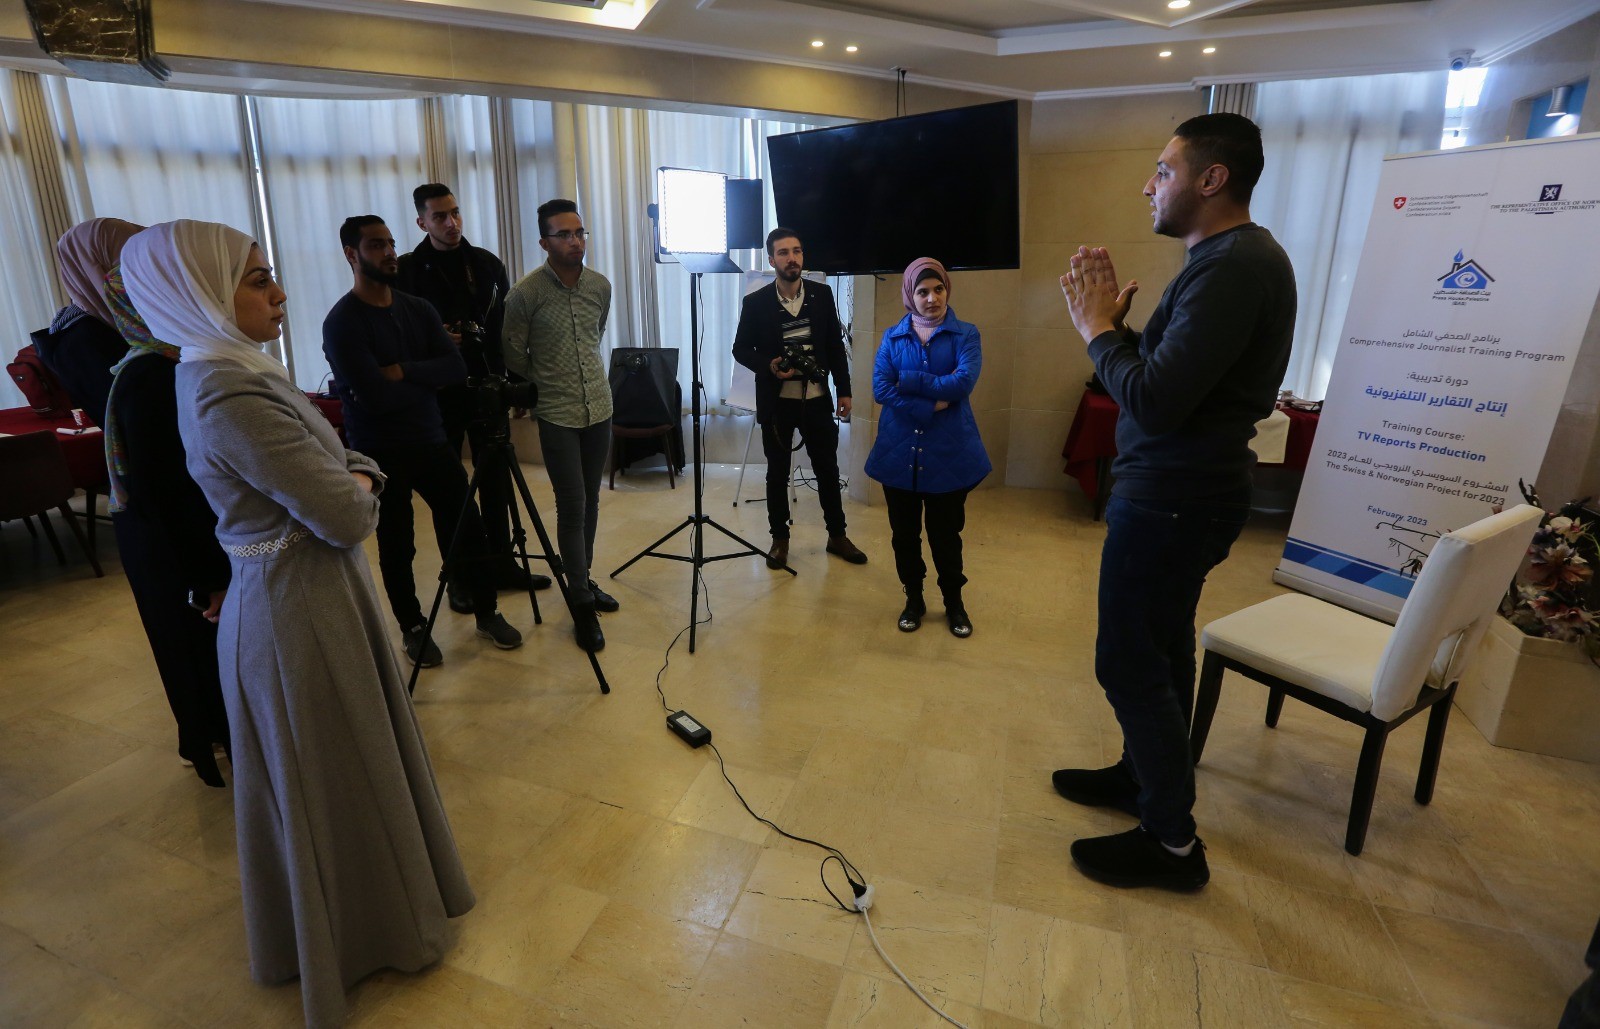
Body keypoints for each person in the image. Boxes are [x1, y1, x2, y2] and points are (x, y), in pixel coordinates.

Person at [121, 219, 475, 1028]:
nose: (278, 293)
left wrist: (352, 471)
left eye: (270, 273)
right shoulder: (226, 391)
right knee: (333, 781)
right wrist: (359, 475)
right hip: (295, 609)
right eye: (255, 280)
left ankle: (374, 918)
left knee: (348, 771)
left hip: (309, 591)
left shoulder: (234, 369)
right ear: (199, 294)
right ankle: (361, 937)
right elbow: (343, 512)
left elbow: (343, 471)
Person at [1054, 112, 1296, 891]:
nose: (1148, 185)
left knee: (1128, 660)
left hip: (1174, 498)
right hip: (1181, 492)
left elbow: (1154, 404)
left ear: (1211, 178)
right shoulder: (1227, 260)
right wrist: (1120, 337)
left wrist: (1098, 331)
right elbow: (1168, 383)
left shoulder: (1233, 267)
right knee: (1160, 648)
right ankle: (1144, 777)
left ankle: (1171, 842)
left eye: (1164, 169)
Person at [323, 215, 522, 666]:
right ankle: (413, 627)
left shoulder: (418, 309)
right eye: (377, 245)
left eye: (391, 243)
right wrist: (421, 379)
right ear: (352, 254)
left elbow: (454, 369)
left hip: (431, 439)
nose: (390, 252)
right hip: (379, 450)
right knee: (398, 542)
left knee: (468, 527)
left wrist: (401, 370)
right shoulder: (342, 322)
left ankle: (487, 612)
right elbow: (374, 397)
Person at [97, 254, 233, 786]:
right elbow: (168, 489)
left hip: (170, 537)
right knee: (193, 649)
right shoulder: (151, 373)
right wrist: (207, 577)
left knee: (200, 649)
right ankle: (212, 742)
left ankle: (218, 736)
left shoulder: (166, 362)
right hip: (169, 545)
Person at [395, 183, 551, 607]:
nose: (451, 223)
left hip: (487, 388)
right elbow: (399, 334)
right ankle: (460, 578)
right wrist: (437, 340)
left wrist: (512, 383)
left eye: (455, 212)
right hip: (437, 395)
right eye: (440, 216)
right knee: (451, 493)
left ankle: (502, 565)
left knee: (497, 483)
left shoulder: (485, 263)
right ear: (422, 222)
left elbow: (504, 330)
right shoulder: (407, 271)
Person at [502, 198, 617, 652]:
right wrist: (546, 379)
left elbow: (595, 335)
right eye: (564, 235)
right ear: (544, 242)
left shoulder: (600, 286)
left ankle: (581, 578)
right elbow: (513, 352)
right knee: (571, 504)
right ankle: (581, 603)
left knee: (591, 500)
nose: (575, 242)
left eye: (579, 233)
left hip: (599, 407)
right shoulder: (525, 294)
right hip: (557, 412)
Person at [864, 258, 990, 637]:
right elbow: (880, 389)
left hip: (948, 454)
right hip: (898, 453)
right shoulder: (893, 337)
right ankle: (914, 599)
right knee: (904, 536)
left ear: (947, 290)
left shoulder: (966, 334)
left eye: (938, 289)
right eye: (922, 291)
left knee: (945, 536)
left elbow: (962, 383)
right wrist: (928, 403)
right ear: (910, 294)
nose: (932, 298)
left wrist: (908, 379)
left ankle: (954, 603)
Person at [732, 228, 868, 571]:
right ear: (771, 259)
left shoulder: (822, 294)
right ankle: (779, 540)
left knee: (827, 470)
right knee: (777, 474)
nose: (791, 258)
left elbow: (834, 347)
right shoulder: (756, 302)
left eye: (797, 251)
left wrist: (845, 390)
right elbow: (740, 348)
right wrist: (769, 364)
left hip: (818, 399)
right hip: (777, 403)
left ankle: (837, 536)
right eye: (783, 253)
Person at [33, 218, 144, 423]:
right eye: (122, 262)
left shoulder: (126, 317)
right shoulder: (79, 341)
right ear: (90, 266)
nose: (138, 273)